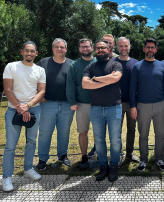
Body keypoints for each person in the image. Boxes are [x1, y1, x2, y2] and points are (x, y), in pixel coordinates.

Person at [2, 41, 46, 191]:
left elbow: (41, 91)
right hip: (14, 110)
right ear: (22, 51)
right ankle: (7, 177)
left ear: (36, 53)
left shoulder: (40, 70)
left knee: (32, 141)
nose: (29, 53)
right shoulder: (11, 66)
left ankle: (28, 169)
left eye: (32, 51)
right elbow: (8, 89)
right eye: (27, 51)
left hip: (34, 109)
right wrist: (20, 108)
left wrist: (27, 106)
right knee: (10, 146)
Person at [82, 40, 122, 182]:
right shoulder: (90, 66)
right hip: (96, 108)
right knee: (99, 140)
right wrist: (108, 80)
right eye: (98, 48)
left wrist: (96, 79)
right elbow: (85, 84)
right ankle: (103, 166)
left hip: (114, 107)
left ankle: (114, 166)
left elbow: (116, 77)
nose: (100, 50)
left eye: (103, 48)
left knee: (115, 140)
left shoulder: (115, 64)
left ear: (108, 48)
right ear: (94, 50)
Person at [130, 38, 164, 172]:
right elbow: (132, 88)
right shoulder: (137, 66)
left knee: (160, 134)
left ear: (156, 50)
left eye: (152, 47)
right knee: (143, 135)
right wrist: (133, 106)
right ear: (144, 49)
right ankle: (143, 160)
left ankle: (159, 158)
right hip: (142, 105)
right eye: (148, 47)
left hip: (160, 104)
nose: (150, 50)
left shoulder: (161, 66)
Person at [36, 38, 74, 171]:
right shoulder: (43, 62)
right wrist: (38, 97)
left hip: (67, 105)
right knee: (45, 132)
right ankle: (42, 159)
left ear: (66, 49)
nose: (59, 49)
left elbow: (77, 84)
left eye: (62, 47)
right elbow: (33, 79)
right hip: (47, 104)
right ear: (52, 48)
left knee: (64, 132)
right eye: (57, 47)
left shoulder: (72, 64)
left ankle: (62, 155)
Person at [66, 38, 97, 168]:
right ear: (79, 49)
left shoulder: (99, 62)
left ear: (92, 47)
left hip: (99, 104)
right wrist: (72, 102)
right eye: (82, 47)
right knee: (83, 131)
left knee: (98, 132)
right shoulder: (74, 65)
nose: (85, 48)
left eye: (87, 46)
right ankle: (84, 156)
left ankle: (98, 155)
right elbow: (70, 85)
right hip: (82, 104)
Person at [112, 37, 139, 164]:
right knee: (116, 131)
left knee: (131, 130)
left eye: (126, 45)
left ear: (130, 46)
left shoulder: (136, 63)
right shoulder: (111, 62)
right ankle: (118, 155)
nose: (123, 48)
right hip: (115, 103)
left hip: (132, 103)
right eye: (121, 46)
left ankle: (129, 153)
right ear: (117, 47)